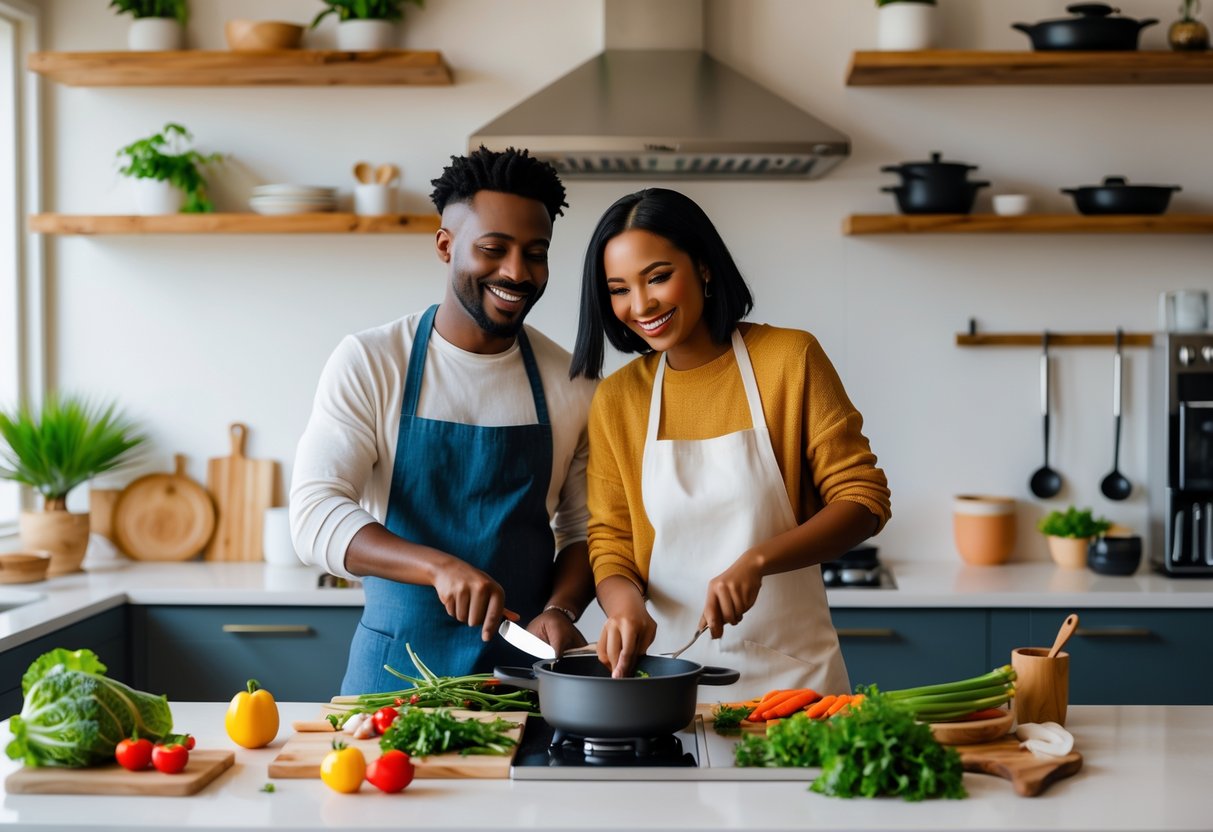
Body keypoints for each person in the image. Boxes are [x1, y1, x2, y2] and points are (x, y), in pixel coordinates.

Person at [291, 147, 598, 694]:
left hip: (523, 681)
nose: (516, 272)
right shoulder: (372, 361)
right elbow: (313, 515)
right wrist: (436, 567)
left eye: (535, 253)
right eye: (493, 249)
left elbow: (585, 530)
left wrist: (562, 608)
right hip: (390, 682)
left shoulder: (572, 381)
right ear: (445, 245)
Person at [570, 187, 891, 693]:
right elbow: (611, 541)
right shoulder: (619, 398)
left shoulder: (789, 359)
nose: (641, 304)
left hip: (795, 683)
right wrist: (625, 608)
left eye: (657, 277)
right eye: (619, 289)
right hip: (671, 679)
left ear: (702, 266)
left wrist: (757, 562)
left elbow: (863, 500)